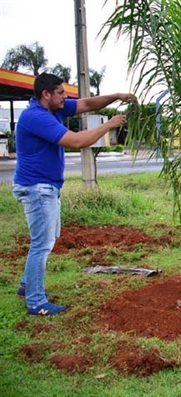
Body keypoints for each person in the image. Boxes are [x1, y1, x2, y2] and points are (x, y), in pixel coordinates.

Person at [13, 72, 134, 316]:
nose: (65, 97)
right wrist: (109, 124)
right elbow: (77, 141)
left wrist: (116, 96)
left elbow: (87, 104)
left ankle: (27, 285)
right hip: (37, 188)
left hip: (46, 187)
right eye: (60, 93)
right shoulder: (35, 117)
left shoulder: (52, 109)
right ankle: (35, 301)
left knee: (47, 238)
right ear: (46, 94)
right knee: (42, 244)